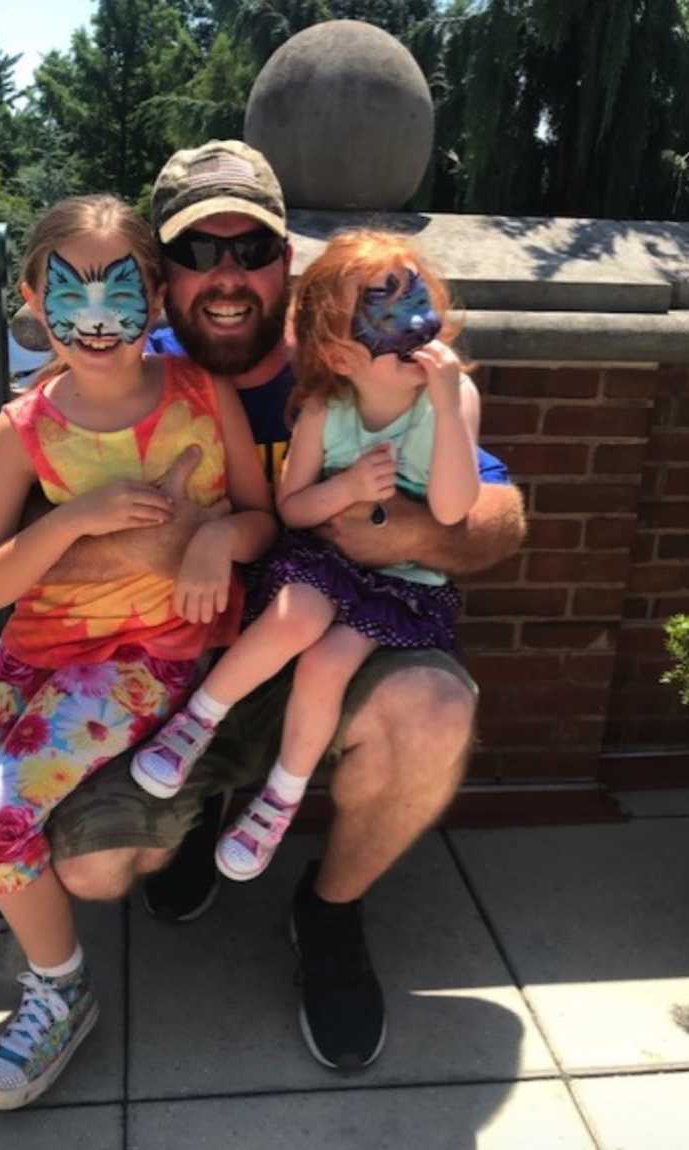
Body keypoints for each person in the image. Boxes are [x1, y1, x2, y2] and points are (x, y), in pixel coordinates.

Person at [36, 142, 525, 1073]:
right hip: (184, 662)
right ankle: (204, 801)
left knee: (432, 708)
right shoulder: (117, 368)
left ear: (286, 263)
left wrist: (409, 531)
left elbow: (497, 520)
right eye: (198, 252)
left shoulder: (359, 357)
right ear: (159, 274)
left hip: (343, 631)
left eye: (251, 248)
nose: (227, 276)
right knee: (93, 867)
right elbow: (34, 546)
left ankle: (329, 911)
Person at [0, 192, 274, 1109]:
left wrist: (213, 542)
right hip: (37, 649)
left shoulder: (203, 394)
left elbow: (262, 521)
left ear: (155, 298)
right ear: (33, 299)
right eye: (70, 291)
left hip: (142, 659)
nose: (98, 318)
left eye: (121, 288)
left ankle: (61, 992)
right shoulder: (23, 429)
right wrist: (73, 520)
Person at [131, 229, 481, 886]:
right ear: (340, 353)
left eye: (418, 304)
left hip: (403, 584)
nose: (411, 328)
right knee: (295, 616)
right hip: (324, 562)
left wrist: (444, 406)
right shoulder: (327, 407)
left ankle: (277, 801)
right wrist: (346, 490)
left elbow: (456, 510)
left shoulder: (454, 399)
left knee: (329, 659)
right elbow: (291, 509)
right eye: (383, 311)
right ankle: (196, 723)